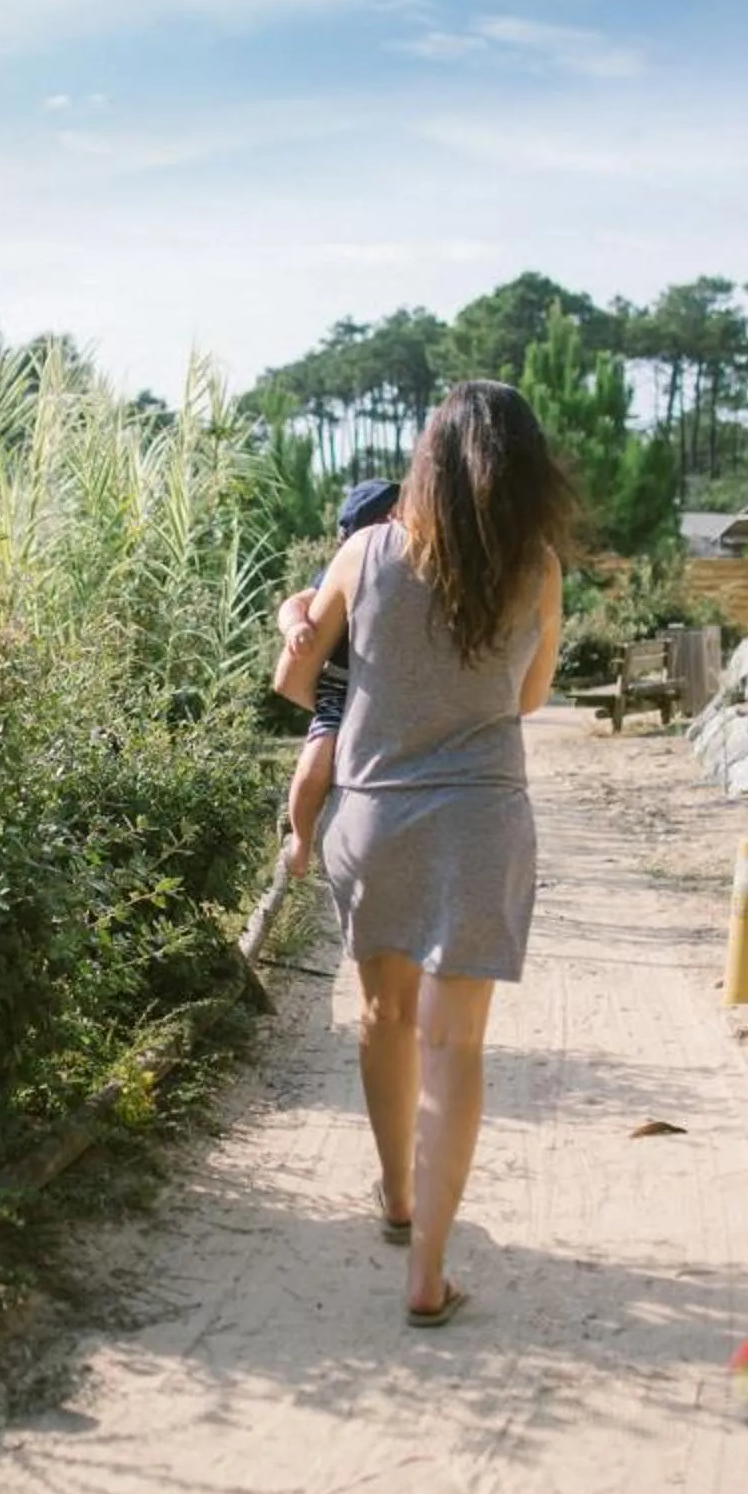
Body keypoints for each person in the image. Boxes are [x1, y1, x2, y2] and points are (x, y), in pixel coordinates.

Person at [271, 381, 570, 1328]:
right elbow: (526, 703)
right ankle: (427, 1275)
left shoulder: (367, 550)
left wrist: (299, 616)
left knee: (381, 1017)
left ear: (427, 461)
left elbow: (293, 680)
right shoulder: (541, 569)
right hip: (481, 823)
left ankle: (395, 1196)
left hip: (375, 818)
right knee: (456, 1044)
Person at [275, 478, 400, 879]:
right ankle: (301, 838)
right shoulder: (341, 569)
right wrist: (295, 626)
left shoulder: (408, 572)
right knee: (318, 756)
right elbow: (296, 602)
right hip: (342, 683)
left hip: (384, 687)